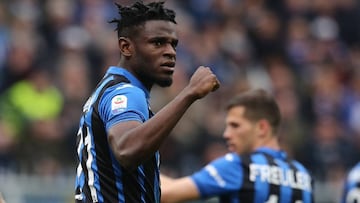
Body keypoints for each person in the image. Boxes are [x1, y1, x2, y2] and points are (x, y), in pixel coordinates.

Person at [74, 1, 220, 203]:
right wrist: (189, 93)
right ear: (126, 47)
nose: (170, 52)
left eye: (173, 44)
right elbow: (127, 150)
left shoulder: (113, 89)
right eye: (158, 43)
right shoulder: (125, 93)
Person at [161, 89, 314, 203]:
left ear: (262, 128)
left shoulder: (239, 166)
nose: (226, 134)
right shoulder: (303, 175)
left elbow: (166, 193)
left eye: (235, 126)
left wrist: (139, 158)